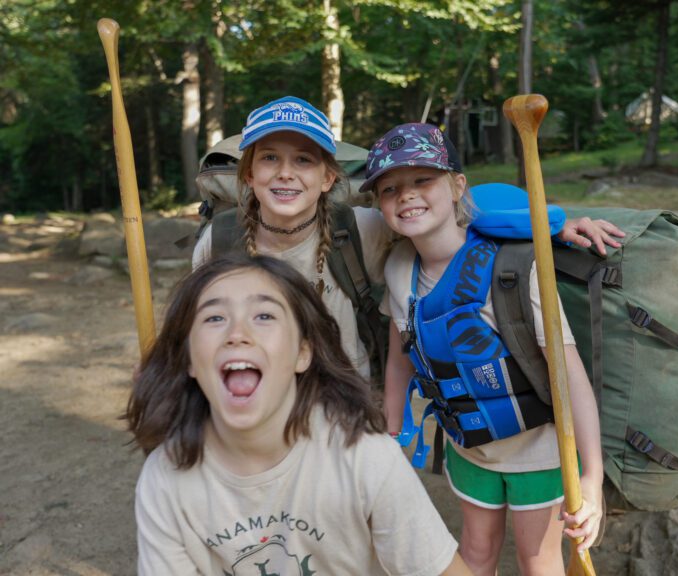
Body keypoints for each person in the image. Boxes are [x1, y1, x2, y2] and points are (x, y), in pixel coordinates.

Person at [192, 95, 623, 379]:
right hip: (253, 404)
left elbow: (445, 215)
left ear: (327, 178)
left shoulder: (361, 229)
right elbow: (196, 324)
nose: (285, 172)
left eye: (303, 160)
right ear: (249, 173)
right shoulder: (220, 239)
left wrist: (551, 224)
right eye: (269, 158)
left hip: (347, 405)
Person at [360, 123, 614, 576]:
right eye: (390, 188)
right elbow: (403, 349)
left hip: (541, 453)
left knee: (538, 560)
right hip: (469, 447)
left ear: (457, 186)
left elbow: (569, 374)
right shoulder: (399, 267)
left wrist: (592, 480)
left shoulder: (513, 268)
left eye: (423, 180)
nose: (407, 196)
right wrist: (391, 427)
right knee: (475, 554)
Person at [125, 253, 473, 575]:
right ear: (188, 359)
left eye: (264, 315)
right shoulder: (166, 477)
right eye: (215, 317)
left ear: (302, 353)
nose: (237, 334)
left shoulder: (363, 457)